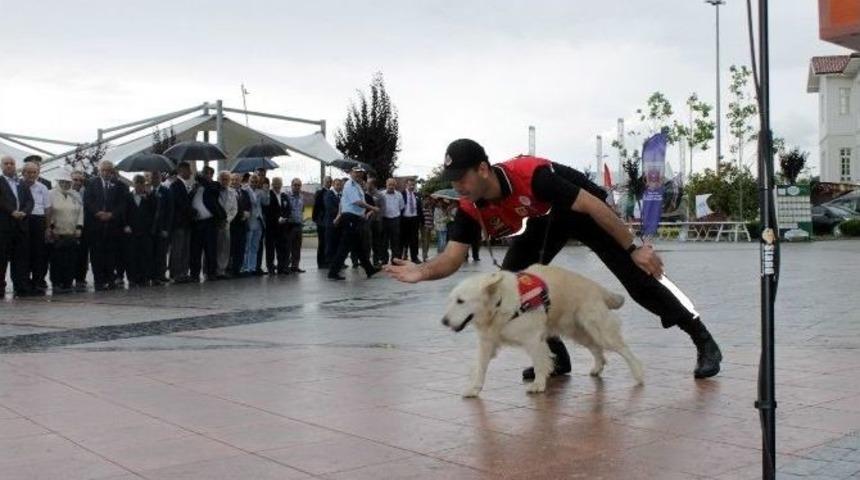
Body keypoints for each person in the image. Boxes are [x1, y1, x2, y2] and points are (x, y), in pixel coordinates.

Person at [386, 138, 723, 380]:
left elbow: (592, 206)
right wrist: (423, 271)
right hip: (547, 217)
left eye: (462, 178)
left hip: (587, 209)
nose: (458, 186)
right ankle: (556, 357)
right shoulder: (469, 206)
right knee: (511, 282)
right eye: (453, 180)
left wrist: (635, 249)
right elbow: (453, 257)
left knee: (639, 282)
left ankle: (703, 340)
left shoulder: (532, 176)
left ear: (483, 169)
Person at [327, 167, 379, 281]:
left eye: (360, 173)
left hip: (355, 218)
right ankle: (333, 272)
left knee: (358, 245)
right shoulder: (350, 185)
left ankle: (369, 269)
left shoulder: (357, 186)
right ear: (351, 173)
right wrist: (373, 208)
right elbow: (358, 202)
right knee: (345, 246)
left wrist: (339, 215)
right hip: (350, 218)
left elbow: (342, 202)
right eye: (356, 172)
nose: (358, 175)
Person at [83, 160, 126, 291]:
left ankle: (110, 279)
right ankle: (99, 280)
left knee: (111, 253)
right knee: (96, 254)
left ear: (112, 171)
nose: (106, 173)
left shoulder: (119, 185)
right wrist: (97, 213)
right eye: (104, 170)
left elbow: (122, 204)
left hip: (112, 225)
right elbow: (88, 201)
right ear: (99, 171)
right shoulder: (91, 183)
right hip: (96, 225)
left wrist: (112, 214)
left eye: (109, 170)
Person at [1, 156, 36, 296]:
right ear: (2, 166)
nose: (9, 166)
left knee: (20, 258)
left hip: (21, 226)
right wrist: (12, 211)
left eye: (12, 163)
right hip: (4, 226)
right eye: (6, 163)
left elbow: (30, 201)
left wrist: (24, 212)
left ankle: (20, 286)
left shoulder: (21, 183)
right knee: (2, 258)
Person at [46, 170, 83, 293]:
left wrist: (79, 227)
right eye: (62, 182)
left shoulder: (75, 195)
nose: (65, 184)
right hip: (57, 233)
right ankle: (56, 283)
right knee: (56, 260)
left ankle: (68, 282)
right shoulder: (51, 194)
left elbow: (80, 212)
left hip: (72, 233)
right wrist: (51, 228)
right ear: (58, 182)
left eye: (67, 182)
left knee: (71, 260)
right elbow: (48, 212)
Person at [190, 166, 225, 282]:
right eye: (205, 173)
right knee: (196, 250)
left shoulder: (214, 185)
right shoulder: (195, 187)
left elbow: (214, 191)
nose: (207, 175)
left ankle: (211, 273)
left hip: (209, 222)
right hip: (197, 223)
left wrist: (202, 179)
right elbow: (189, 198)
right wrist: (195, 187)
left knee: (210, 249)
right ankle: (194, 274)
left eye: (209, 174)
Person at [22, 162, 51, 291]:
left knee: (39, 252)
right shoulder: (18, 185)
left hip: (39, 220)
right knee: (24, 252)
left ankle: (38, 280)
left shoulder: (43, 187)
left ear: (38, 174)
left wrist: (47, 227)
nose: (31, 175)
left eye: (34, 172)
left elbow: (48, 209)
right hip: (23, 219)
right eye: (28, 172)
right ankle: (24, 281)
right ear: (23, 173)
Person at [123, 174, 155, 287]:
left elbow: (153, 213)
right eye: (137, 183)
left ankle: (144, 277)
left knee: (145, 255)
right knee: (131, 255)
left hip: (145, 231)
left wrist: (148, 198)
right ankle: (132, 278)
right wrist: (125, 225)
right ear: (134, 184)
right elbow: (124, 212)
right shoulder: (127, 196)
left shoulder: (149, 197)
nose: (139, 186)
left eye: (142, 184)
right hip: (131, 231)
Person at [169, 162, 195, 283]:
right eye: (188, 170)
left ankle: (184, 272)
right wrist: (192, 211)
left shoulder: (185, 185)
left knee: (185, 249)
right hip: (179, 223)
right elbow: (180, 204)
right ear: (181, 171)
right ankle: (176, 273)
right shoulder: (175, 185)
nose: (190, 172)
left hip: (186, 223)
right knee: (178, 249)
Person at [242, 174, 269, 275]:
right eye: (252, 182)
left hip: (259, 221)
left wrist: (266, 191)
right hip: (249, 220)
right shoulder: (245, 190)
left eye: (256, 182)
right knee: (247, 246)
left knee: (255, 246)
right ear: (249, 181)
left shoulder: (260, 191)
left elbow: (266, 203)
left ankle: (252, 267)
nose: (254, 184)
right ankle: (245, 267)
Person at [150, 171, 172, 285]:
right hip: (150, 228)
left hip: (162, 227)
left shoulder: (166, 191)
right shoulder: (148, 191)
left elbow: (170, 211)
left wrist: (166, 228)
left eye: (156, 177)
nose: (154, 179)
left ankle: (161, 274)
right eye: (152, 177)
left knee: (161, 252)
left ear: (160, 178)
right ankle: (152, 275)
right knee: (151, 252)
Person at [216, 171, 238, 279]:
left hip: (226, 223)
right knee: (213, 247)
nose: (224, 181)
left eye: (226, 179)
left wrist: (227, 220)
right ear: (219, 179)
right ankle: (210, 269)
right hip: (215, 223)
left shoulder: (232, 192)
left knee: (225, 248)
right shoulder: (214, 191)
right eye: (222, 179)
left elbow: (234, 209)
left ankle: (222, 270)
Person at [264, 177, 288, 274]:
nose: (277, 185)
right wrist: (277, 218)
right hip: (271, 226)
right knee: (270, 248)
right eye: (275, 183)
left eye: (279, 183)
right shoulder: (268, 195)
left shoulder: (284, 196)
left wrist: (284, 217)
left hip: (282, 227)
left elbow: (288, 208)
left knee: (281, 247)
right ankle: (270, 267)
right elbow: (268, 210)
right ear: (272, 184)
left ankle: (281, 267)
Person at [70, 170, 89, 290]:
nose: (78, 182)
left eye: (81, 180)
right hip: (68, 227)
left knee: (82, 254)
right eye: (75, 180)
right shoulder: (66, 192)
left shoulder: (86, 193)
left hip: (84, 228)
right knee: (69, 254)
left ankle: (80, 278)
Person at [229, 173, 251, 277]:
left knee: (241, 248)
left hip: (243, 224)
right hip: (232, 224)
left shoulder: (245, 193)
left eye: (236, 180)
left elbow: (249, 205)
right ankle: (230, 270)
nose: (234, 182)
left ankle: (238, 269)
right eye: (232, 180)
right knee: (231, 248)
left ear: (240, 181)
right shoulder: (228, 192)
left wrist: (247, 213)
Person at [380, 178, 404, 264]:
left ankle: (395, 260)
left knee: (395, 241)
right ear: (386, 185)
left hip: (395, 219)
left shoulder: (399, 195)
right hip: (384, 219)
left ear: (395, 185)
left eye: (393, 185)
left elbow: (401, 207)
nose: (391, 186)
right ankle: (384, 259)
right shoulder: (381, 194)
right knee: (384, 241)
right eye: (389, 184)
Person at [284, 178, 305, 273]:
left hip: (298, 224)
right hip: (289, 225)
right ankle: (285, 266)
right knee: (288, 247)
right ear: (291, 185)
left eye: (299, 185)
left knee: (297, 247)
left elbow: (302, 210)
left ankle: (295, 266)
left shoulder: (301, 197)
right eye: (295, 185)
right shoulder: (287, 196)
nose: (297, 187)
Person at [312, 176, 332, 268]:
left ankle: (327, 261)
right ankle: (321, 262)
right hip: (321, 221)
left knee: (328, 242)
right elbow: (316, 206)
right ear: (323, 182)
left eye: (330, 182)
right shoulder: (320, 193)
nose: (329, 183)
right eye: (327, 181)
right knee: (322, 242)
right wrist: (315, 219)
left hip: (329, 221)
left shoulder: (331, 193)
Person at [400, 179, 422, 263]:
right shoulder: (401, 194)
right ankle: (401, 256)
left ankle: (414, 257)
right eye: (410, 185)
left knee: (414, 240)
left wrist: (421, 221)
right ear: (406, 185)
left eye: (413, 185)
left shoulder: (417, 195)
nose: (412, 187)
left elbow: (419, 208)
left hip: (414, 219)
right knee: (402, 240)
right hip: (404, 219)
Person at [323, 178, 343, 267]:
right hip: (331, 223)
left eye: (340, 185)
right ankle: (330, 262)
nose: (339, 186)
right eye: (337, 184)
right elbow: (329, 208)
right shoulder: (329, 194)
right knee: (330, 244)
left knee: (339, 244)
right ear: (333, 185)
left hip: (340, 223)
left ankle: (338, 262)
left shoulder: (342, 195)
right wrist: (340, 213)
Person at [420, 195, 434, 262]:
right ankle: (424, 256)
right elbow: (422, 219)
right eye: (426, 200)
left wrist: (432, 226)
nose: (428, 201)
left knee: (428, 241)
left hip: (430, 226)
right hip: (424, 227)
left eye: (429, 200)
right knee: (425, 241)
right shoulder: (422, 208)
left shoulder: (430, 208)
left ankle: (426, 254)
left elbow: (431, 218)